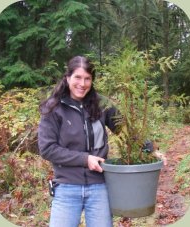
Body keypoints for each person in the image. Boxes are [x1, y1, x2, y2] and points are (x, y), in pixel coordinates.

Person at [38, 56, 118, 227]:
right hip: (66, 187)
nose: (82, 84)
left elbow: (126, 129)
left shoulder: (102, 104)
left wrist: (151, 149)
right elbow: (47, 148)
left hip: (99, 186)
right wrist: (85, 159)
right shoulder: (53, 107)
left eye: (87, 78)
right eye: (78, 77)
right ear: (68, 78)